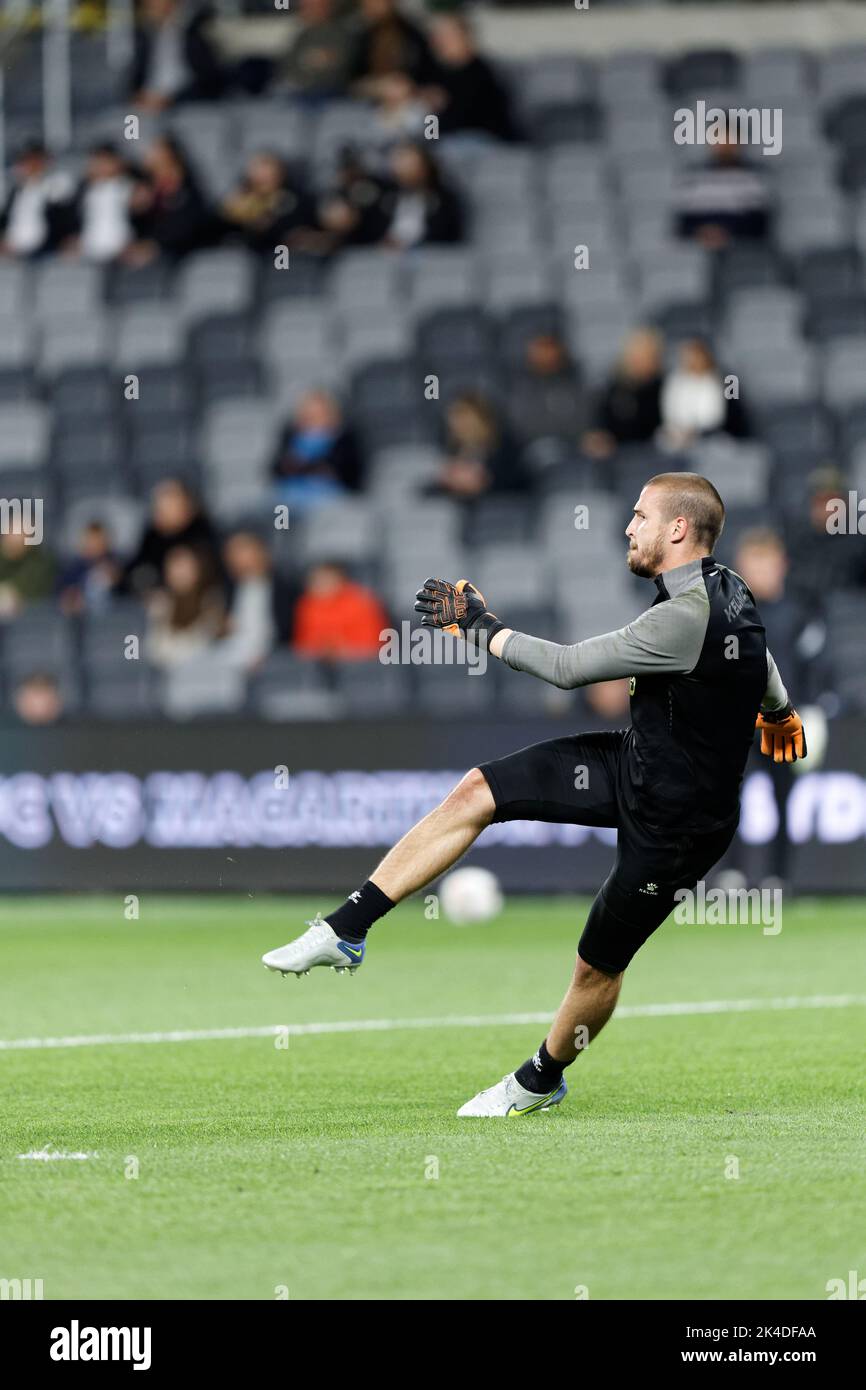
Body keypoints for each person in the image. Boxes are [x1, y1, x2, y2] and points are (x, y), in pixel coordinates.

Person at [261, 473, 807, 1116]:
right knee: (477, 791)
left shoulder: (686, 616)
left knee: (596, 968)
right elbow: (758, 652)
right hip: (634, 763)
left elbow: (569, 668)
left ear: (678, 529)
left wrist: (482, 626)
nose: (628, 527)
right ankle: (346, 929)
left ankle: (540, 1079)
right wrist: (778, 709)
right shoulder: (727, 588)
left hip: (679, 824)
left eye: (639, 516)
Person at [118, 478, 220, 596]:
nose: (162, 507)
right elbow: (138, 568)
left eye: (169, 499)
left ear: (186, 502)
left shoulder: (203, 532)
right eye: (159, 502)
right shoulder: (152, 536)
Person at [426, 13, 515, 141]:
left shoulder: (480, 74)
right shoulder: (437, 75)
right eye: (437, 37)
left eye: (448, 37)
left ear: (466, 37)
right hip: (451, 141)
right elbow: (432, 130)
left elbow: (457, 121)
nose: (441, 42)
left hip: (485, 142)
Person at [126, 135, 214, 264]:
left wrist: (157, 244)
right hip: (150, 248)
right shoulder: (145, 186)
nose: (151, 155)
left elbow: (190, 222)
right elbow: (138, 225)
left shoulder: (187, 187)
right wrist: (136, 210)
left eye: (158, 152)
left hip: (181, 250)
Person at [272, 389, 362, 511]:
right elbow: (277, 468)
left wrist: (309, 468)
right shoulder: (290, 437)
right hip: (290, 497)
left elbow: (348, 471)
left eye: (319, 413)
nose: (314, 418)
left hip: (331, 497)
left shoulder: (345, 439)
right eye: (310, 414)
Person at [674, 137, 771, 250]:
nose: (724, 145)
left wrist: (727, 232)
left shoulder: (754, 177)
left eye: (730, 140)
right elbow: (683, 225)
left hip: (741, 249)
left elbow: (759, 225)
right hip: (700, 248)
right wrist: (702, 232)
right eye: (718, 140)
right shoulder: (695, 176)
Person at [426, 391, 525, 501]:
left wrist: (483, 481)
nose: (457, 423)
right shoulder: (454, 449)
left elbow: (514, 481)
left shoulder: (505, 446)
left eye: (463, 415)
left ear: (481, 416)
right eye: (454, 417)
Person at [581, 328, 664, 459]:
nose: (641, 362)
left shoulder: (664, 388)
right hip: (617, 455)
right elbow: (600, 425)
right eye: (637, 356)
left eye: (647, 357)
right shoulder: (612, 390)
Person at [130, 0, 224, 111]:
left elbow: (209, 82)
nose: (149, 6)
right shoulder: (145, 36)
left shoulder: (194, 34)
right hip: (147, 106)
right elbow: (136, 78)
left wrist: (171, 100)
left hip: (186, 108)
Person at [659, 338, 748, 450]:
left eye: (698, 355)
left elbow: (732, 416)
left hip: (718, 437)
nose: (694, 360)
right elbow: (670, 412)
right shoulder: (674, 381)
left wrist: (701, 432)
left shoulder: (730, 380)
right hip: (680, 437)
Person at [145, 543, 225, 668]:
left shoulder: (211, 603)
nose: (180, 573)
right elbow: (153, 649)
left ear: (199, 569)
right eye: (174, 566)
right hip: (165, 677)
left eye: (185, 567)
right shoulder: (158, 605)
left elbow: (203, 647)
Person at [291, 561, 389, 660]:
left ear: (340, 580)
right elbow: (302, 645)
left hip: (359, 664)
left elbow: (372, 646)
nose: (320, 585)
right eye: (316, 580)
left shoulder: (361, 603)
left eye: (326, 579)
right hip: (316, 665)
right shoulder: (306, 605)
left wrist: (342, 649)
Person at [220, 152, 315, 253]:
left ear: (280, 173)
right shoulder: (239, 200)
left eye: (268, 174)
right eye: (258, 173)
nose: (263, 177)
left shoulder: (293, 200)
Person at [0, 141, 75, 259]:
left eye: (35, 161)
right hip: (15, 252)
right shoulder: (16, 191)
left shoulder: (54, 187)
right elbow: (6, 218)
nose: (30, 166)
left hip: (45, 252)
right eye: (26, 161)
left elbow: (64, 218)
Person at [63, 144, 135, 263]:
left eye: (105, 161)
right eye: (97, 161)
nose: (101, 166)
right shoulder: (86, 190)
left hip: (119, 251)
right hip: (90, 250)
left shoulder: (126, 186)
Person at [219, 531, 277, 669]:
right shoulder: (227, 591)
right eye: (233, 553)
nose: (238, 558)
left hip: (272, 658)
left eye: (243, 550)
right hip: (232, 658)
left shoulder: (283, 590)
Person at [57, 520, 120, 615]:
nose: (94, 545)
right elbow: (61, 591)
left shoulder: (115, 566)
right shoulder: (73, 569)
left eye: (98, 540)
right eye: (90, 540)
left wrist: (116, 578)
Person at [0, 528, 55, 619]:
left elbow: (29, 593)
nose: (13, 538)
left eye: (18, 533)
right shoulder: (3, 557)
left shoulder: (41, 562)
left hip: (27, 618)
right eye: (10, 533)